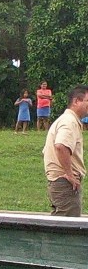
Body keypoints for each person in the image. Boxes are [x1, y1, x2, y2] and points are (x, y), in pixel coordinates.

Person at [42, 84, 88, 217]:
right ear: (76, 101)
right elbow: (61, 146)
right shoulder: (69, 121)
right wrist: (70, 175)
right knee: (67, 228)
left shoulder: (66, 120)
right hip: (65, 183)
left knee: (60, 226)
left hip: (60, 182)